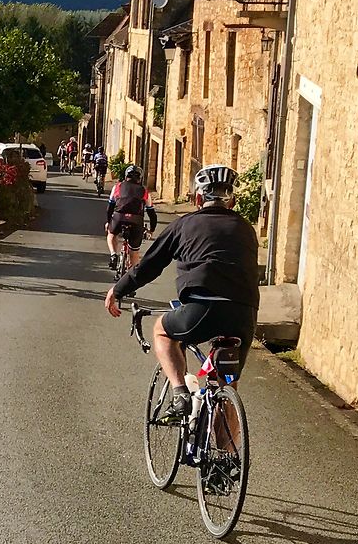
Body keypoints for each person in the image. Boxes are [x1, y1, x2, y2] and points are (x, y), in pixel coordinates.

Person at [104, 165, 258, 423]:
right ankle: (227, 457)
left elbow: (150, 265)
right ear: (232, 200)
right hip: (244, 315)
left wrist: (118, 289)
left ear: (198, 198)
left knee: (162, 331)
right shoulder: (247, 229)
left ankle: (180, 395)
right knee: (227, 387)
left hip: (202, 308)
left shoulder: (185, 224)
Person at [105, 165, 157, 271]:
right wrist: (151, 230)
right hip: (136, 220)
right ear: (140, 178)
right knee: (134, 252)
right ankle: (133, 279)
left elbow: (110, 207)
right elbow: (152, 213)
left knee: (111, 234)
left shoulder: (117, 187)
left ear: (125, 176)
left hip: (118, 217)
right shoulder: (144, 191)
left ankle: (113, 254)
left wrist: (108, 222)